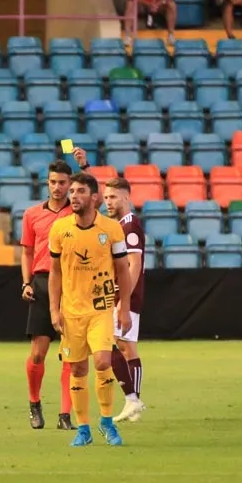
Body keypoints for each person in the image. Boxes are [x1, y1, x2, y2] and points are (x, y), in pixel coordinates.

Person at [48, 173, 132, 447]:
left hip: (101, 309)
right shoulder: (59, 229)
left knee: (103, 362)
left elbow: (123, 269)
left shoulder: (112, 229)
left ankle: (107, 422)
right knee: (77, 369)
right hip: (71, 312)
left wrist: (124, 308)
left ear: (94, 197)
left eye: (80, 191)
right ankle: (83, 428)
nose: (73, 196)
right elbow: (54, 272)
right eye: (72, 191)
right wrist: (54, 309)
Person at [20, 160, 75, 431]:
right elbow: (27, 251)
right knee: (38, 353)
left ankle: (65, 415)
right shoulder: (32, 214)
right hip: (42, 283)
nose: (57, 187)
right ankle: (34, 403)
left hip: (73, 282)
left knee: (70, 354)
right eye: (53, 182)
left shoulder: (77, 211)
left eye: (62, 182)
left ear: (70, 184)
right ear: (47, 183)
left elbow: (96, 195)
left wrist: (84, 165)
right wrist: (25, 283)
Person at [102, 178, 147, 422]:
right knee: (125, 346)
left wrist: (124, 301)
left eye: (113, 197)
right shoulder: (120, 224)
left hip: (126, 294)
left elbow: (134, 264)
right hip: (122, 293)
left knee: (114, 344)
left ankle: (132, 399)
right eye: (106, 197)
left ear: (126, 198)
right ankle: (133, 402)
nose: (108, 202)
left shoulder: (130, 225)